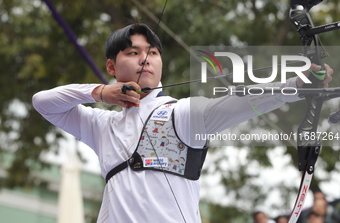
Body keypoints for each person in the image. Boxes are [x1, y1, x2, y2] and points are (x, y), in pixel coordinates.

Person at [32, 23, 334, 222]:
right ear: (112, 65)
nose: (145, 59)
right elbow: (43, 102)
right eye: (133, 52)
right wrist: (99, 92)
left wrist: (299, 83)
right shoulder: (101, 126)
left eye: (152, 52)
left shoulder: (183, 114)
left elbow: (245, 102)